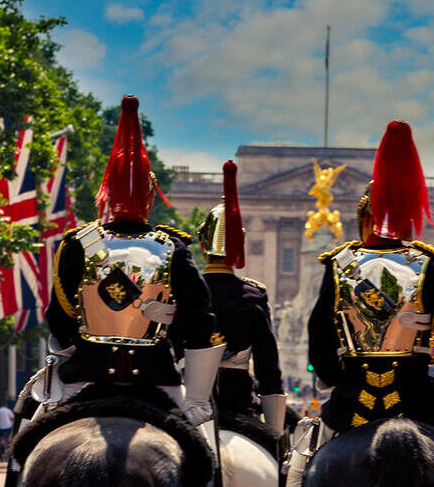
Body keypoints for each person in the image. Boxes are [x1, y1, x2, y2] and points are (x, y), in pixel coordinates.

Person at [285, 121, 434, 485]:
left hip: (349, 409)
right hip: (420, 407)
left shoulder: (339, 264)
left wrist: (333, 378)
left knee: (297, 469)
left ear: (364, 219)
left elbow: (320, 343)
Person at [40, 95, 223, 426]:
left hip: (85, 376)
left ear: (106, 194)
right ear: (151, 196)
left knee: (27, 437)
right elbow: (199, 323)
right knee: (206, 451)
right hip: (157, 378)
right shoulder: (173, 248)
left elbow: (59, 319)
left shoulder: (77, 245)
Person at [195, 160, 286, 434]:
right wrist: (275, 433)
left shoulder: (184, 290)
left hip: (190, 405)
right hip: (237, 402)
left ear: (202, 245)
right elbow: (268, 368)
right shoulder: (252, 295)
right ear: (239, 247)